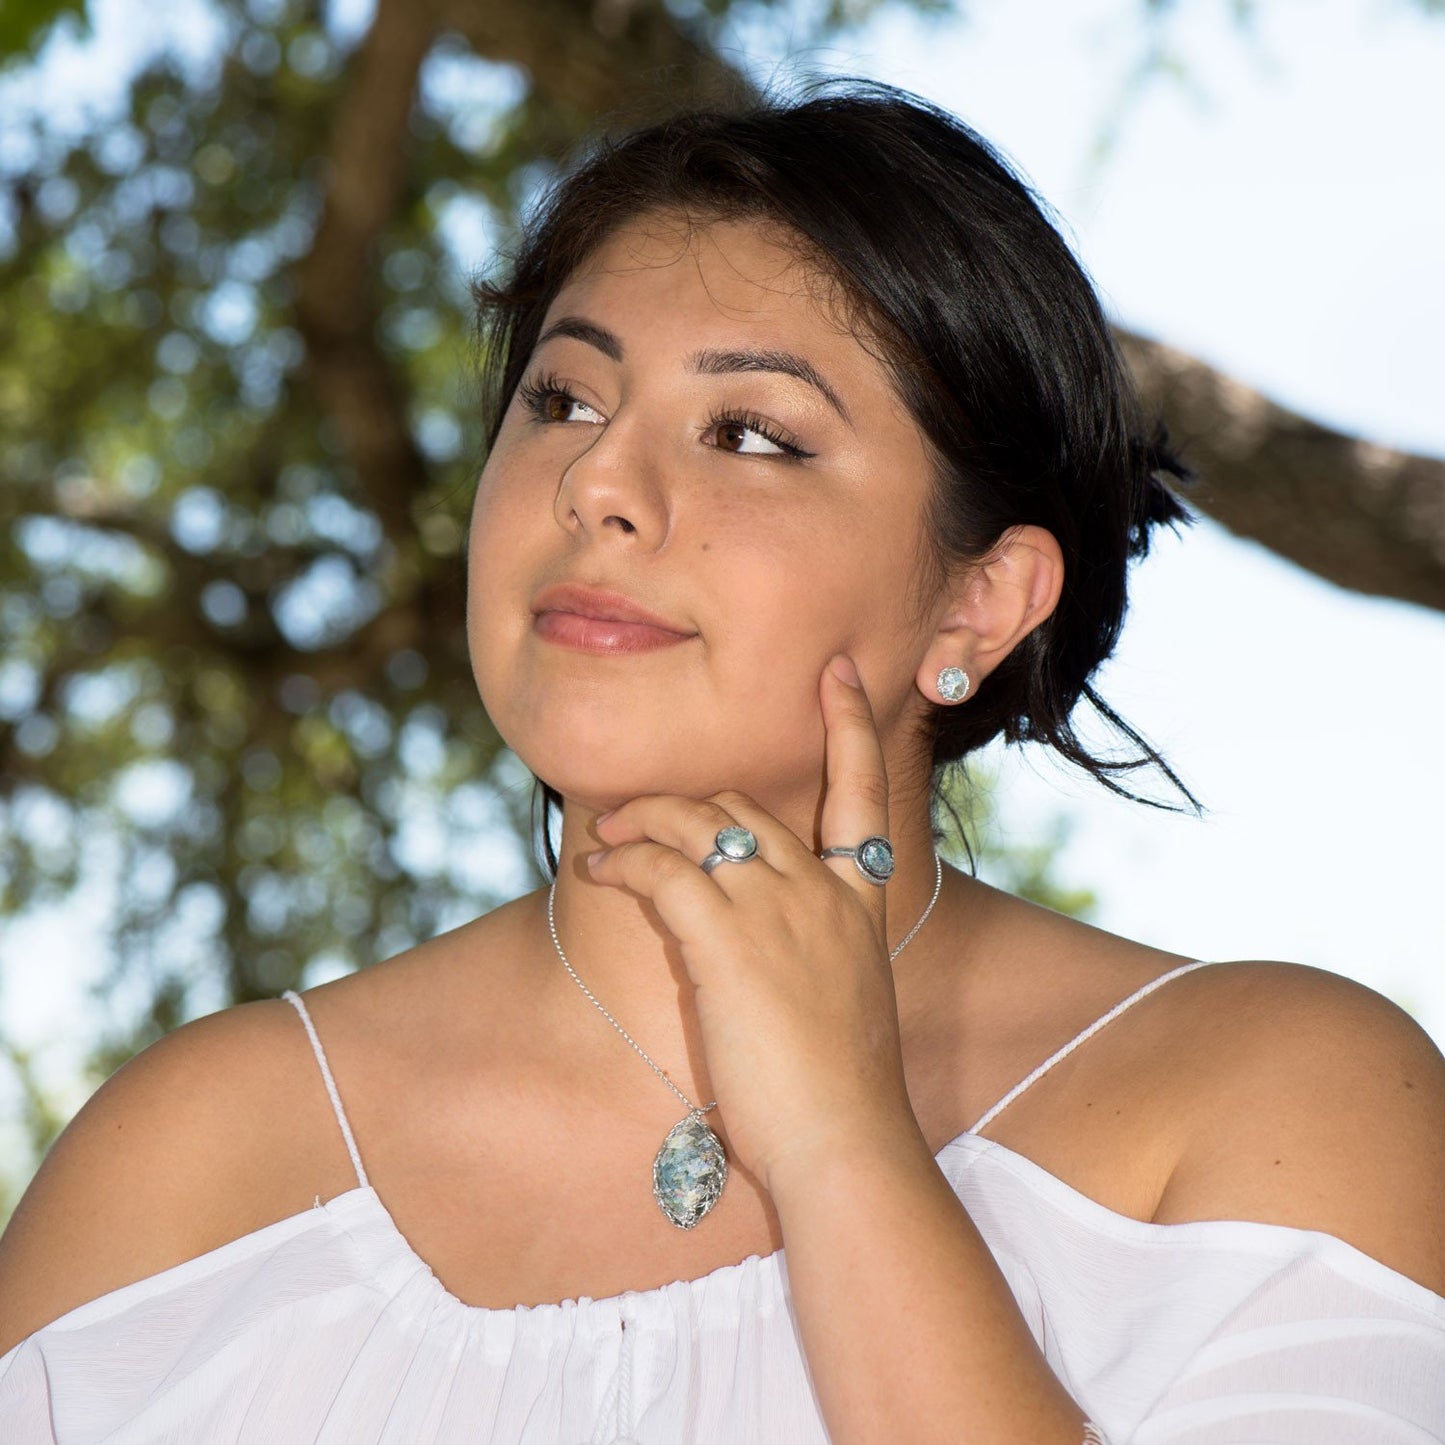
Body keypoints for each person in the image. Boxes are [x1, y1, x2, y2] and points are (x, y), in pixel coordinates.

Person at [1, 75, 1442, 1444]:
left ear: (979, 600)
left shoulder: (1280, 1100)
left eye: (748, 434)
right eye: (564, 401)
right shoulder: (193, 1166)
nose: (598, 485)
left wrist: (840, 1146)